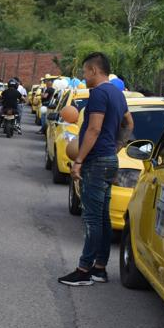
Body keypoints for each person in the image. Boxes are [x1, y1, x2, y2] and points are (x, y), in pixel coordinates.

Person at [58, 52, 132, 287]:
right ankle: (100, 268)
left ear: (93, 71)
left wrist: (79, 160)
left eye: (84, 71)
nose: (83, 76)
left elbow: (94, 129)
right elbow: (129, 123)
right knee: (102, 217)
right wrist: (118, 146)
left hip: (96, 161)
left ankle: (83, 270)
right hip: (110, 159)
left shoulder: (99, 93)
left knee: (91, 218)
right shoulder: (118, 93)